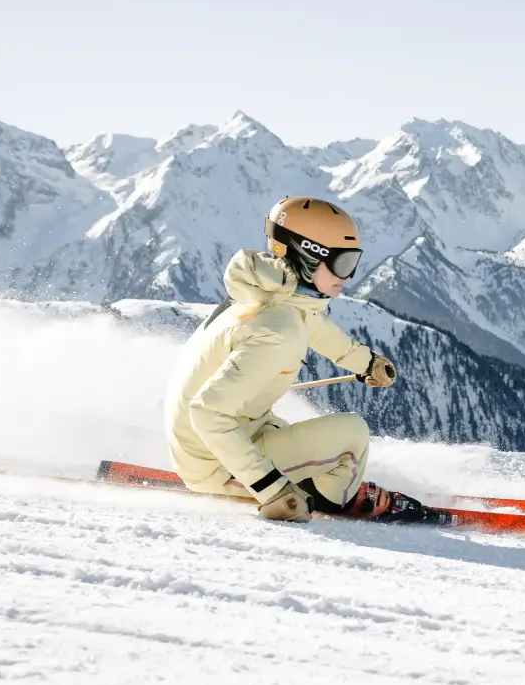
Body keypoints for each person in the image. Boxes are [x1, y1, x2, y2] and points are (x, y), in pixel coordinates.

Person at [163, 196, 433, 523]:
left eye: (353, 262)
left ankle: (299, 477)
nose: (347, 276)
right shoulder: (277, 330)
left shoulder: (270, 295)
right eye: (342, 263)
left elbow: (314, 326)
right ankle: (333, 498)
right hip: (215, 462)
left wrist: (367, 362)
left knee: (303, 435)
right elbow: (207, 412)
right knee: (352, 437)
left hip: (223, 439)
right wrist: (273, 490)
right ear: (307, 256)